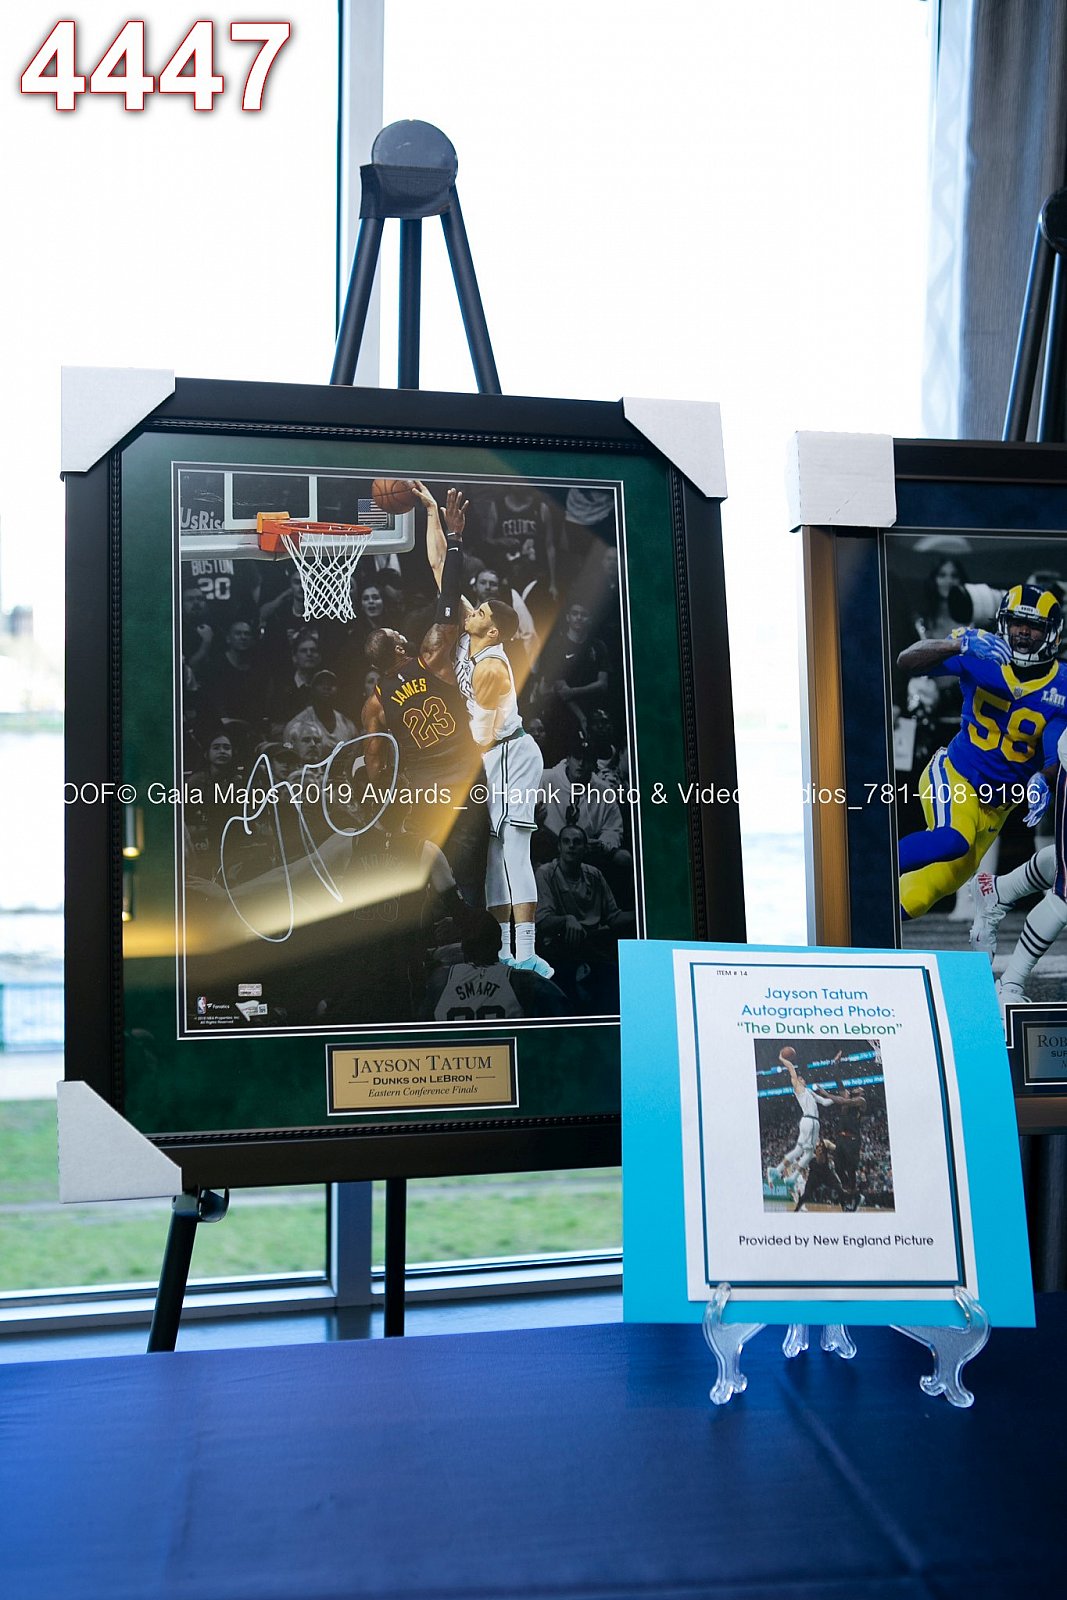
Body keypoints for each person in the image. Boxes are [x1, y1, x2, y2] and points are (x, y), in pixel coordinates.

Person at [414, 478, 554, 979]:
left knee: (514, 851)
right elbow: (440, 569)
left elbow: (486, 733)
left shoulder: (492, 666)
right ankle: (502, 948)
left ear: (492, 630)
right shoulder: (467, 638)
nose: (475, 607)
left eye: (483, 610)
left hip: (512, 753)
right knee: (495, 858)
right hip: (491, 754)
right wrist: (433, 515)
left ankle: (528, 951)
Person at [895, 584, 1067, 923]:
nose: (1022, 632)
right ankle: (865, 866)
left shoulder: (1061, 685)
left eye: (1033, 626)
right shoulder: (983, 654)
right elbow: (907, 662)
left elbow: (1054, 750)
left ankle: (865, 920)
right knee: (952, 840)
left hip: (996, 807)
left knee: (923, 893)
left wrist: (1044, 780)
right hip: (956, 775)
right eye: (1016, 622)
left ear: (1051, 634)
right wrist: (956, 644)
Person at [361, 625, 486, 902]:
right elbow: (448, 624)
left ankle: (435, 915)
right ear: (399, 648)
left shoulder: (375, 704)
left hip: (425, 789)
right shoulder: (429, 660)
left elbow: (374, 762)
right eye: (397, 633)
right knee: (474, 856)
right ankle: (474, 918)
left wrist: (389, 797)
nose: (401, 633)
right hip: (466, 776)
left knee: (427, 855)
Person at [425, 909, 568, 1021]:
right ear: (500, 944)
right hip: (504, 1050)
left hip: (458, 1051)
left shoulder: (441, 980)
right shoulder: (523, 981)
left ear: (463, 947)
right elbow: (566, 1012)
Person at [766, 1048, 836, 1188]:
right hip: (810, 1121)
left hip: (810, 1122)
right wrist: (782, 1058)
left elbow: (824, 1102)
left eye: (802, 1078)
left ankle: (776, 1170)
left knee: (798, 1151)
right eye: (800, 1078)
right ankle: (792, 1178)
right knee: (809, 1154)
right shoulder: (798, 1088)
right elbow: (791, 1068)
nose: (802, 1079)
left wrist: (837, 1098)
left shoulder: (809, 1091)